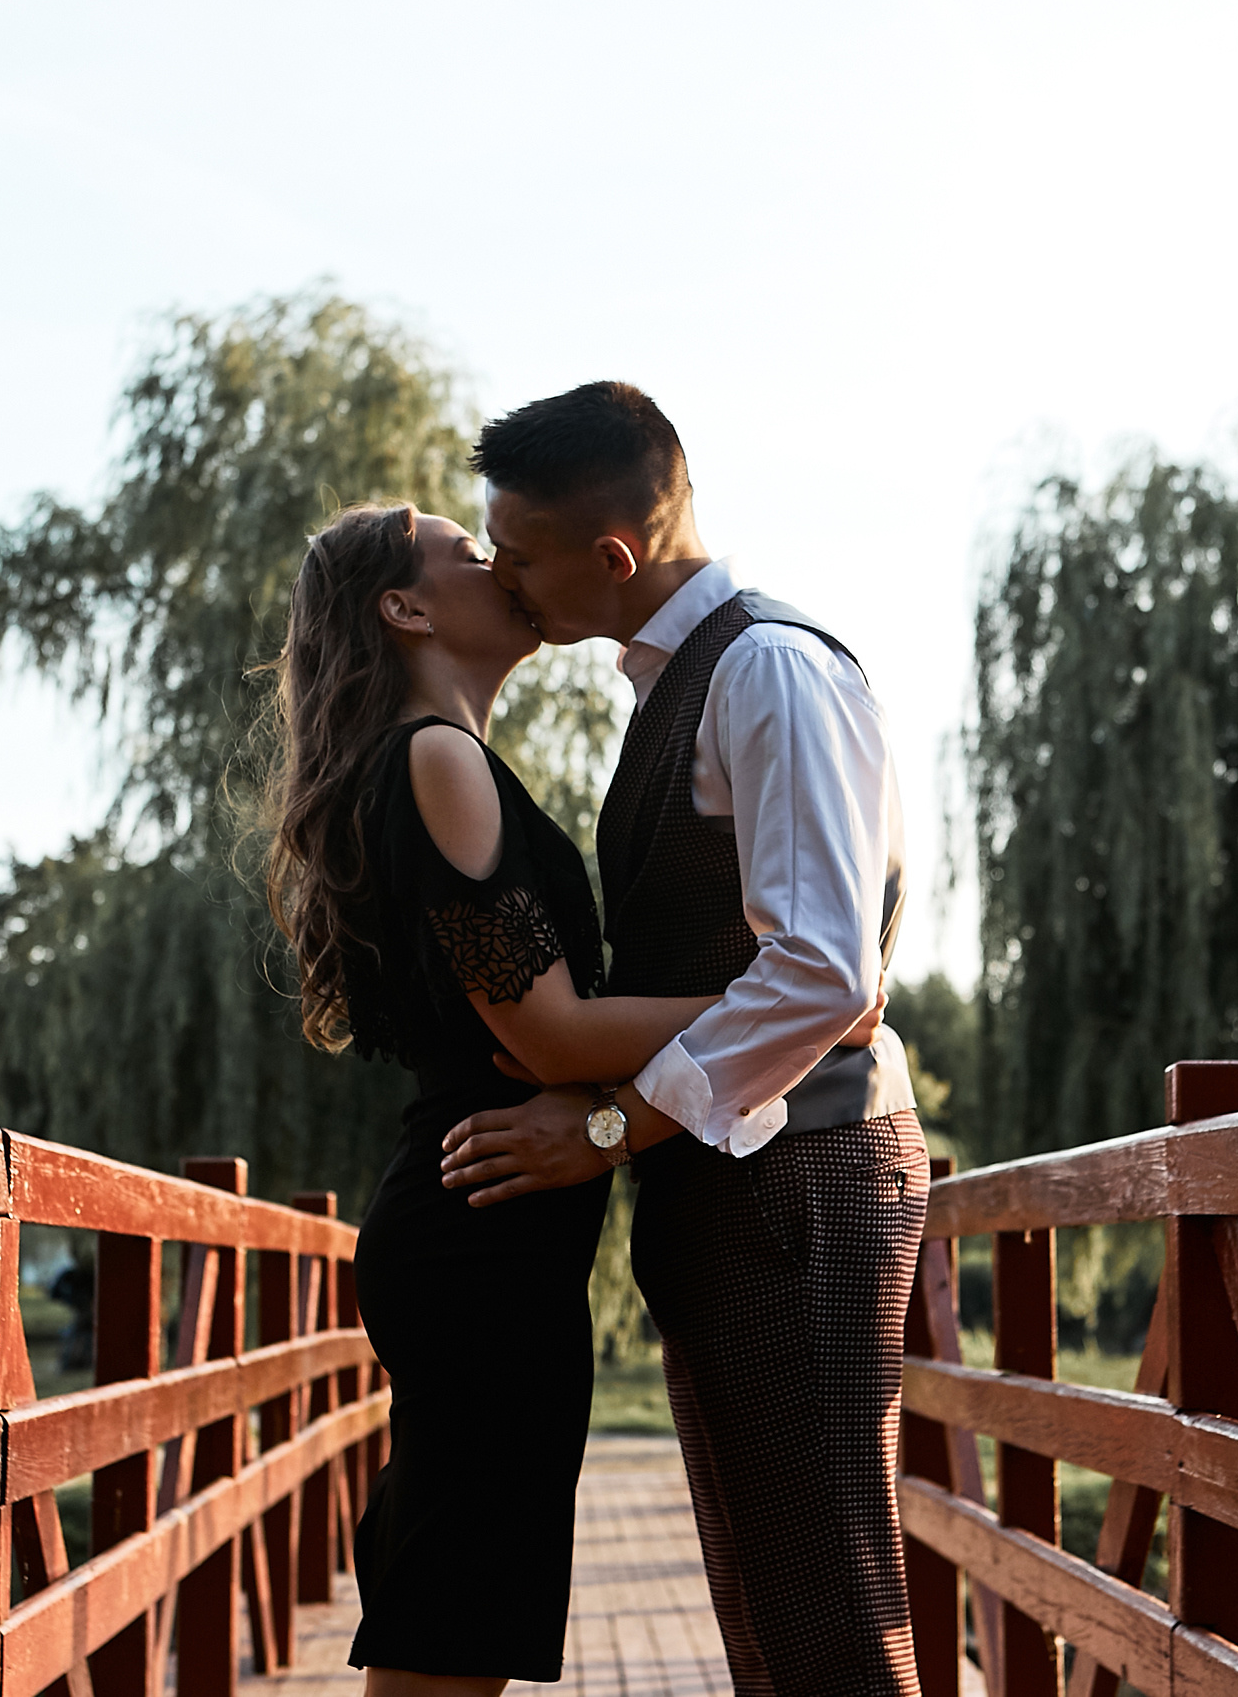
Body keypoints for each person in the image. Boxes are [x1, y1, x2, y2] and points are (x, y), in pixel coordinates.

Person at [440, 382, 927, 1697]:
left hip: (806, 1176)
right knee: (772, 1605)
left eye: (518, 553)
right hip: (743, 1177)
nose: (502, 575)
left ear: (610, 557)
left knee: (833, 1611)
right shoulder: (686, 678)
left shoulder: (766, 668)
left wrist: (606, 1122)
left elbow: (825, 966)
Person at [262, 501, 798, 1694]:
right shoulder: (434, 757)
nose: (498, 563)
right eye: (465, 553)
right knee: (452, 1630)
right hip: (482, 1242)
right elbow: (551, 1035)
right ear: (404, 609)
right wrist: (799, 1001)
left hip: (486, 1229)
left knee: (450, 1621)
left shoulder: (429, 756)